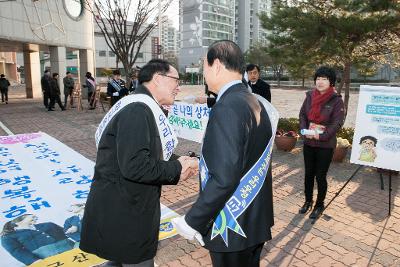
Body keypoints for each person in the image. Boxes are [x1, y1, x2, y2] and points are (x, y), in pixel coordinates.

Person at [80, 59, 199, 267]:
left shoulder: (140, 105)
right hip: (127, 212)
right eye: (176, 80)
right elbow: (135, 165)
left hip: (123, 206)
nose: (179, 87)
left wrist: (180, 160)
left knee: (118, 261)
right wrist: (178, 168)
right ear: (158, 78)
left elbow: (151, 151)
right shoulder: (137, 110)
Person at [172, 40, 278, 267]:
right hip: (254, 220)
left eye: (205, 67)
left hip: (232, 226)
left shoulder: (227, 107)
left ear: (217, 65)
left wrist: (193, 221)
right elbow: (242, 156)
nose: (204, 73)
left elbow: (225, 177)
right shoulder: (252, 100)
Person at [298, 66, 345, 219]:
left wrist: (321, 136)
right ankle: (307, 201)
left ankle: (319, 204)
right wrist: (305, 131)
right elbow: (303, 115)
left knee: (320, 176)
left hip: (325, 145)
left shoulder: (336, 100)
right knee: (308, 174)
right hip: (309, 142)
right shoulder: (310, 96)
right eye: (318, 78)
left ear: (331, 82)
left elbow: (337, 123)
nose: (320, 81)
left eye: (324, 79)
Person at [1, 214, 74, 266]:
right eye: (32, 217)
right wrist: (34, 261)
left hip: (72, 248)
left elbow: (67, 233)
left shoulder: (48, 224)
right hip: (46, 257)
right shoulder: (8, 237)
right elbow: (16, 251)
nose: (35, 218)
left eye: (35, 217)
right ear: (18, 222)